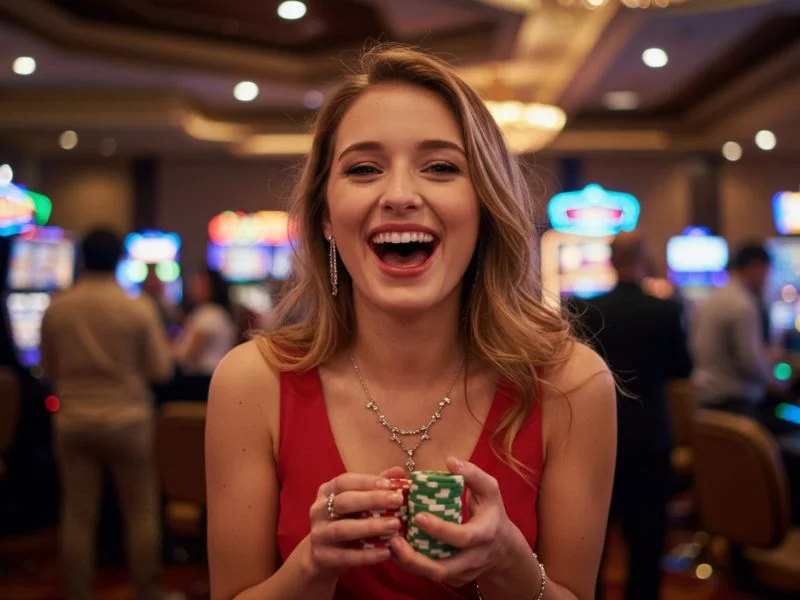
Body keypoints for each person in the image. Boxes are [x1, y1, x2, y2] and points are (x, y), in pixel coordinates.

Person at [205, 45, 617, 600]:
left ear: (485, 205)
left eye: (442, 167)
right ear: (326, 215)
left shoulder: (573, 382)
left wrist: (510, 565)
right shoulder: (249, 382)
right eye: (364, 168)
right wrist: (310, 568)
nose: (399, 195)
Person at [41, 227, 173, 600]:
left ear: (82, 258)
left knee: (78, 515)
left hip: (73, 420)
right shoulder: (136, 307)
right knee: (141, 513)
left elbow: (47, 367)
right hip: (128, 420)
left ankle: (77, 592)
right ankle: (148, 591)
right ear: (119, 259)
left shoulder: (58, 307)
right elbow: (160, 370)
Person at [575, 232, 692, 600]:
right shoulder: (665, 310)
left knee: (590, 542)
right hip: (651, 436)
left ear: (610, 260)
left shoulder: (585, 309)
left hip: (594, 439)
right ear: (645, 259)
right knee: (647, 542)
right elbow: (682, 370)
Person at [690, 242, 774, 420]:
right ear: (754, 267)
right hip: (734, 403)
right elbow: (751, 363)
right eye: (766, 272)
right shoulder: (743, 304)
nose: (767, 280)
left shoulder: (713, 298)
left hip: (706, 398)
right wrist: (773, 377)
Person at [173, 267, 237, 399]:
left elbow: (188, 354)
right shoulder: (221, 313)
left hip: (202, 381)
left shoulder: (207, 314)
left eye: (199, 283)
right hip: (218, 377)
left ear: (211, 287)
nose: (193, 288)